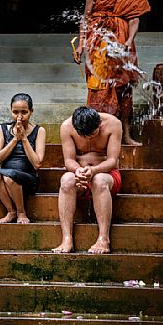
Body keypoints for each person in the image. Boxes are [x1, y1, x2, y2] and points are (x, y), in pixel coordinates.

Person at [73, 0, 151, 146]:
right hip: (99, 47)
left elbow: (134, 20)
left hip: (122, 45)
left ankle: (125, 135)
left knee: (124, 90)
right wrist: (81, 44)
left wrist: (127, 41)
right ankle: (99, 138)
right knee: (100, 89)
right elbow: (87, 17)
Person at [52, 105, 122, 254]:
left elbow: (112, 161)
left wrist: (94, 170)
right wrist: (78, 170)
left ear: (99, 124)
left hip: (107, 174)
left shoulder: (113, 124)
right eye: (85, 135)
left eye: (94, 132)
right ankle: (66, 238)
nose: (90, 137)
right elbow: (68, 160)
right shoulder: (66, 127)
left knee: (99, 180)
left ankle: (104, 239)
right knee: (66, 180)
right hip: (80, 173)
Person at [0, 93, 46, 224]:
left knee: (10, 177)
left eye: (24, 112)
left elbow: (37, 164)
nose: (19, 117)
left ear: (31, 111)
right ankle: (11, 211)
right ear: (11, 111)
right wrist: (15, 139)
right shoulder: (2, 129)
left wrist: (24, 138)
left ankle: (21, 212)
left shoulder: (39, 131)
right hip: (6, 176)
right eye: (15, 112)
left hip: (28, 178)